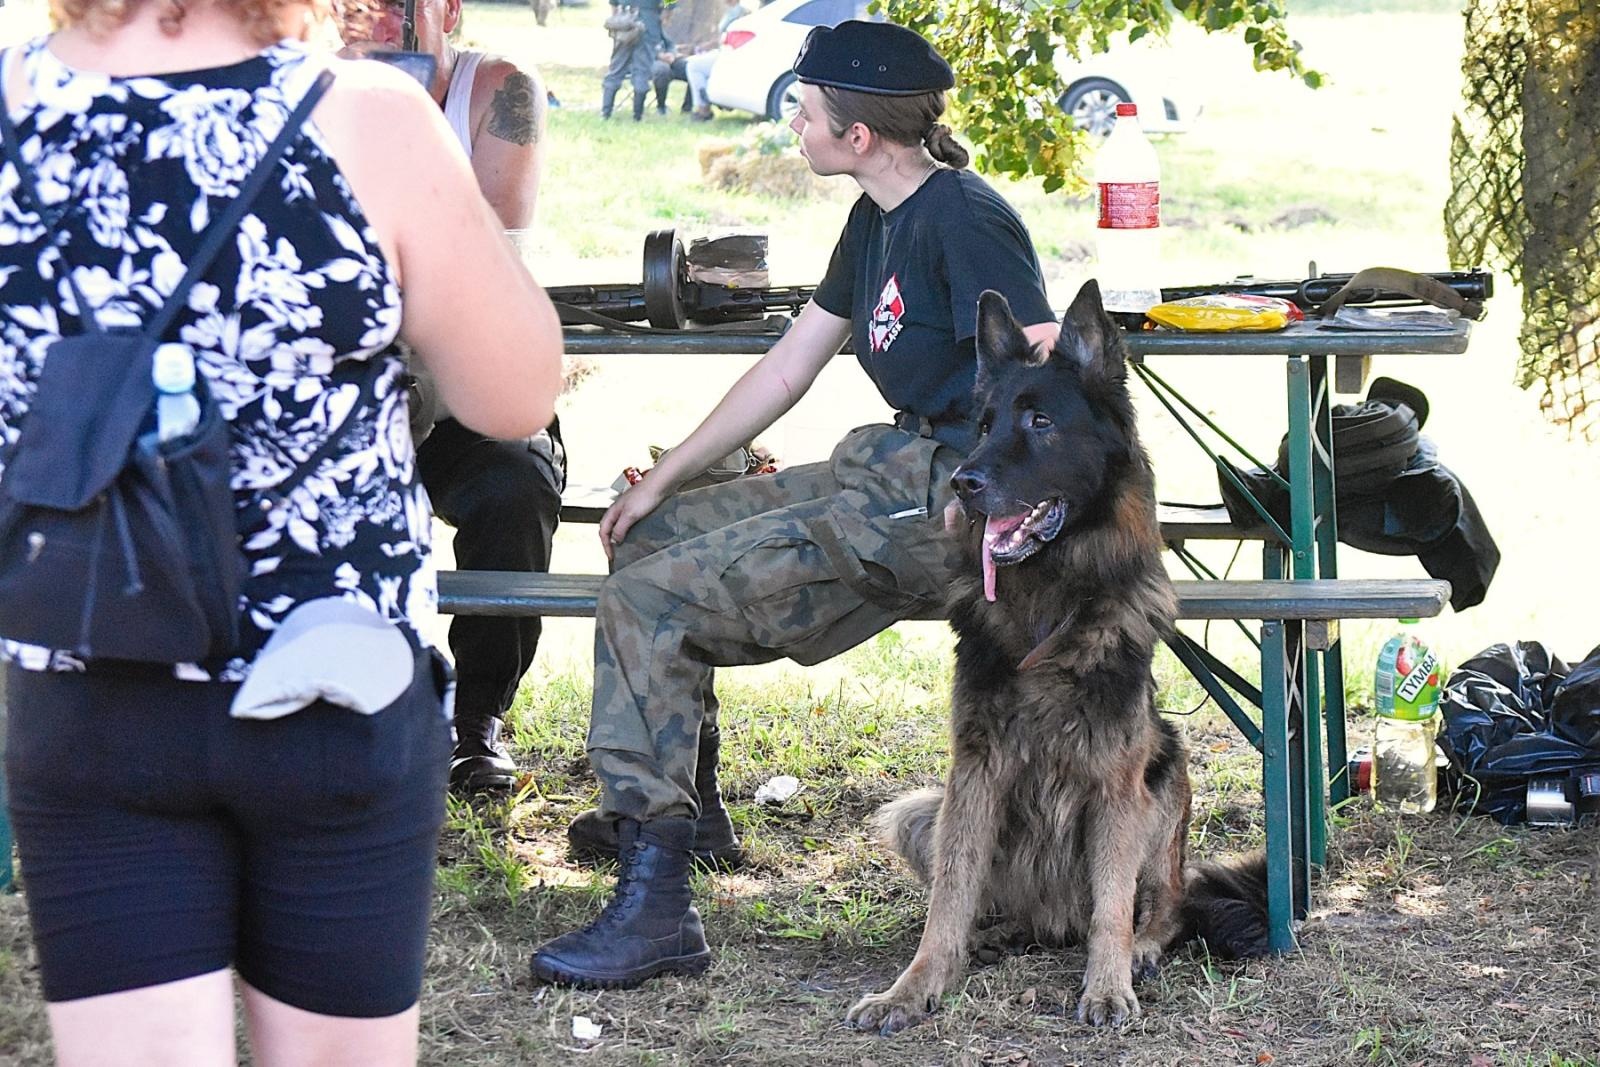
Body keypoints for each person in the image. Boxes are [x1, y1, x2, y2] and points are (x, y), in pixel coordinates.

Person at [0, 0, 562, 1062]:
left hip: (89, 670)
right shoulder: (363, 116)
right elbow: (515, 395)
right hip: (331, 675)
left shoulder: (12, 106)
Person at [534, 20, 1059, 990]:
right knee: (650, 539)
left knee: (649, 605)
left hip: (944, 507)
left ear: (857, 135)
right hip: (887, 469)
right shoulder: (877, 216)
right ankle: (685, 811)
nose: (793, 122)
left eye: (804, 110)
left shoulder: (964, 218)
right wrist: (667, 475)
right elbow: (787, 368)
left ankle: (654, 912)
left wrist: (1017, 510)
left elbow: (1047, 360)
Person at [343, 0, 567, 795]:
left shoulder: (499, 89)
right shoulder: (302, 85)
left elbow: (483, 237)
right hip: (344, 375)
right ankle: (343, 706)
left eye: (400, 3)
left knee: (516, 485)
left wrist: (393, 117)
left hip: (463, 370)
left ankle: (477, 717)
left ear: (447, 9)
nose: (371, 15)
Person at [684, 0, 748, 121]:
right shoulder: (729, 12)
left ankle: (703, 109)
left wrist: (708, 45)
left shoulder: (741, 13)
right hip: (723, 50)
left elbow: (728, 37)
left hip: (732, 54)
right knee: (696, 62)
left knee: (694, 66)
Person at [601, 0, 663, 121]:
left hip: (624, 23)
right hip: (648, 25)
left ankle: (605, 113)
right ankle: (637, 116)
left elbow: (613, 4)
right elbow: (670, 4)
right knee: (642, 71)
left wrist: (617, 21)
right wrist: (662, 19)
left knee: (616, 69)